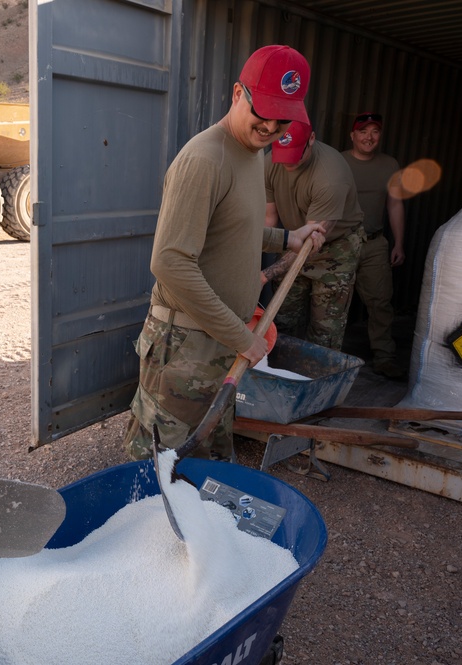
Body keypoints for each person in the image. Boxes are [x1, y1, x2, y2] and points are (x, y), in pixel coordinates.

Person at [122, 45, 325, 463]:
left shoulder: (250, 154)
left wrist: (287, 237)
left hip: (217, 341)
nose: (270, 126)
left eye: (282, 117)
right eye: (262, 111)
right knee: (162, 462)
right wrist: (242, 338)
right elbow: (170, 261)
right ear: (237, 94)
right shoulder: (204, 159)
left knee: (205, 458)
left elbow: (232, 228)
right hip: (185, 346)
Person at [262, 120, 365, 351]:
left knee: (324, 332)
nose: (288, 161)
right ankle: (282, 379)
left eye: (295, 154)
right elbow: (268, 221)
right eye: (283, 154)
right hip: (293, 242)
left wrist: (264, 275)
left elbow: (309, 243)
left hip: (335, 250)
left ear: (311, 139)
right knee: (282, 323)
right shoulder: (269, 163)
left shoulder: (331, 176)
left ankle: (316, 383)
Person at [342, 112, 407, 379]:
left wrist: (398, 243)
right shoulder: (338, 162)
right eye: (363, 131)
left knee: (381, 302)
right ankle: (326, 357)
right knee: (331, 305)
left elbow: (395, 204)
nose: (369, 137)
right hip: (340, 245)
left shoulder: (390, 165)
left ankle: (384, 358)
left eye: (375, 132)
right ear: (353, 135)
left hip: (374, 243)